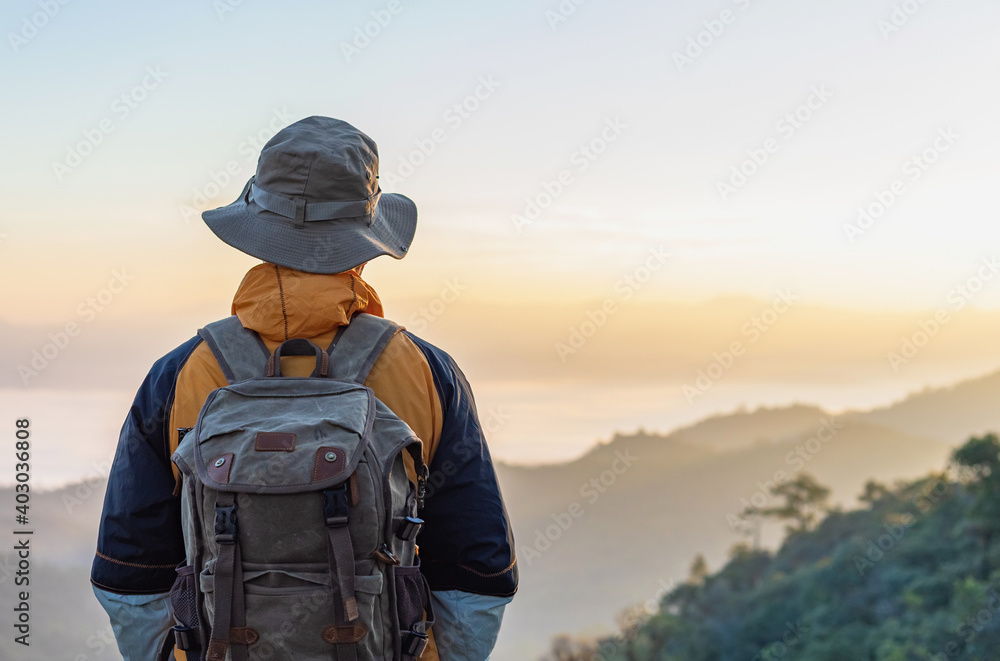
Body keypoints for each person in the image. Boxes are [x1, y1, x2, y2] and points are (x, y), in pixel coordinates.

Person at [91, 116, 518, 660]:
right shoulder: (427, 373)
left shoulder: (178, 374)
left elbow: (127, 575)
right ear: (365, 243)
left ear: (256, 235)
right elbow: (477, 573)